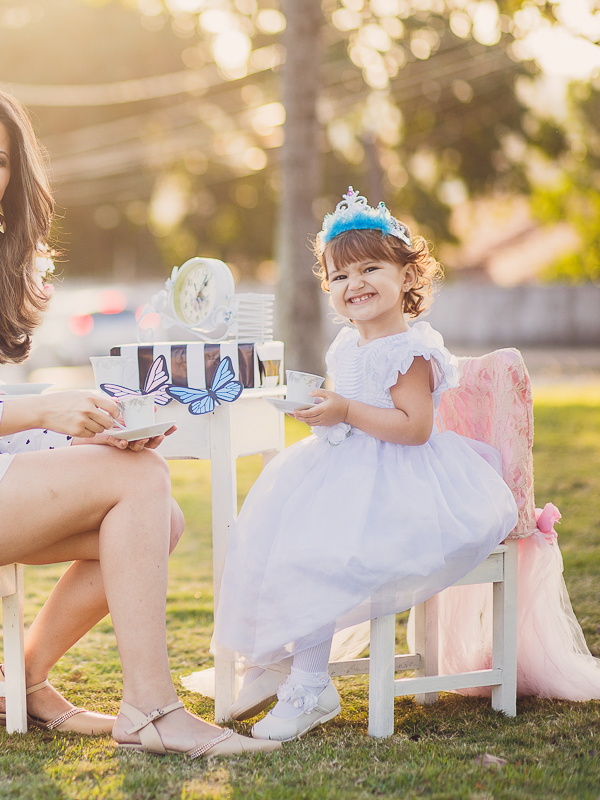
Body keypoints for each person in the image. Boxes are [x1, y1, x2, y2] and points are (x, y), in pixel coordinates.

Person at [0, 79, 279, 757]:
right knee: (140, 482)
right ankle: (151, 710)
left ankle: (20, 680)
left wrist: (89, 424)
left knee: (158, 514)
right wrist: (43, 410)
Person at [210, 188, 519, 741]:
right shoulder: (345, 346)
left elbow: (413, 427)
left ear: (406, 276)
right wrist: (328, 413)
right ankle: (277, 665)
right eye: (340, 276)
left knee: (320, 552)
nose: (355, 284)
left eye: (370, 268)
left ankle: (310, 686)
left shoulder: (409, 349)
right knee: (273, 536)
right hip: (343, 467)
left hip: (404, 480)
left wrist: (348, 409)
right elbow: (346, 406)